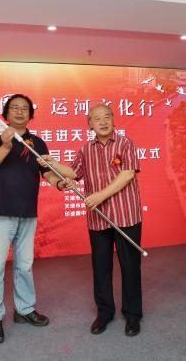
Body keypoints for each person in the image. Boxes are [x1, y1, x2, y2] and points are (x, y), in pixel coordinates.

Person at [0, 93, 76, 344]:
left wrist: (59, 183)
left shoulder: (37, 143)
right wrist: (5, 146)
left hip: (28, 213)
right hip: (0, 213)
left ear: (30, 114)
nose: (20, 111)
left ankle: (24, 309)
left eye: (24, 108)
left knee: (24, 265)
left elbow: (47, 173)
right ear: (6, 113)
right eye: (15, 107)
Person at [63, 103, 144, 337]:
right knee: (101, 268)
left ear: (113, 119)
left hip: (126, 215)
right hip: (98, 218)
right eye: (97, 119)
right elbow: (73, 172)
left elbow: (127, 174)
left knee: (130, 267)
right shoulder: (85, 149)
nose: (103, 122)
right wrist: (50, 162)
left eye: (106, 117)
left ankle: (133, 315)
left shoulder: (125, 143)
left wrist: (99, 196)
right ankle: (105, 312)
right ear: (90, 124)